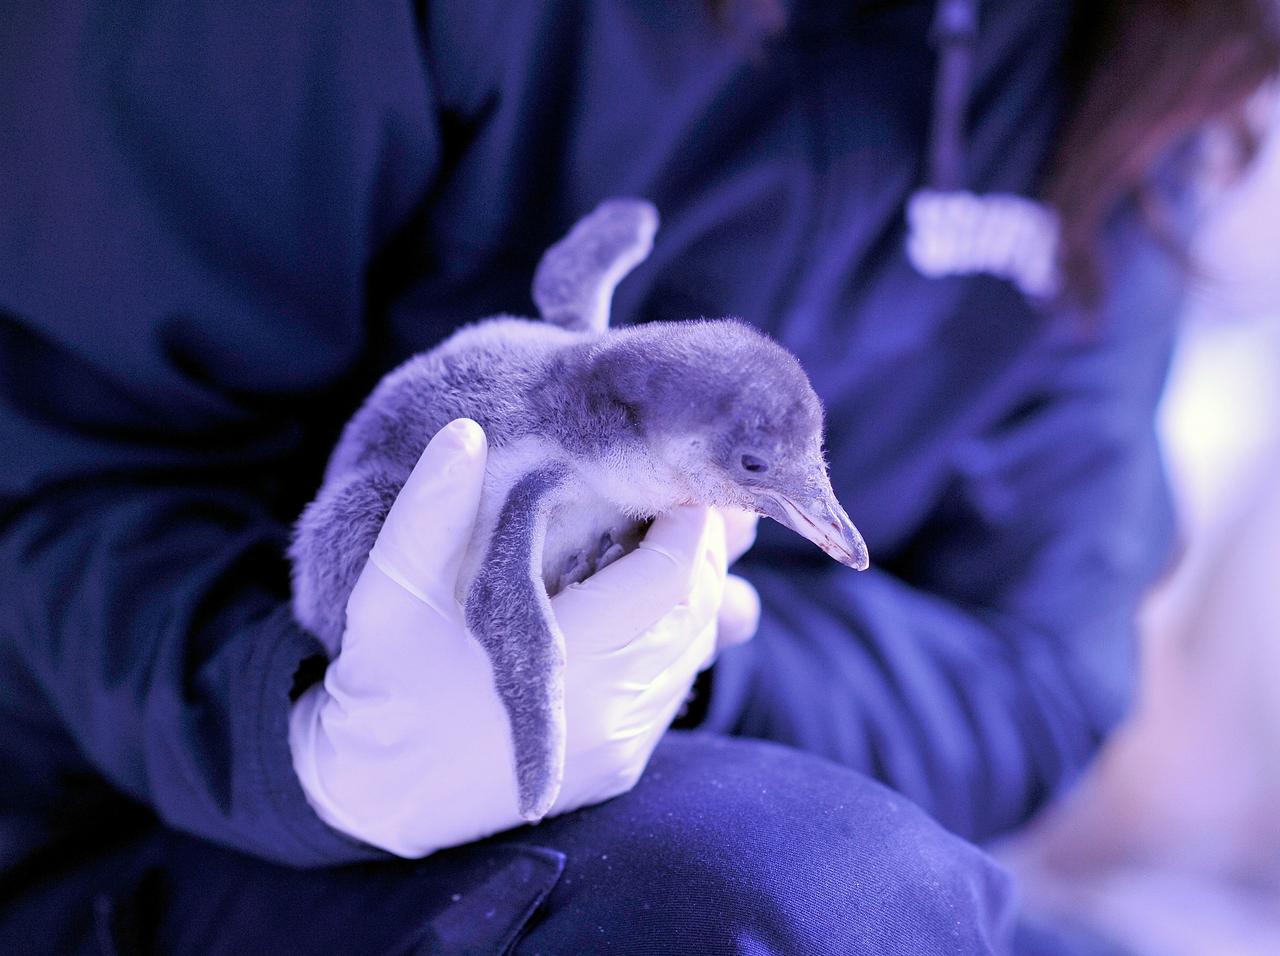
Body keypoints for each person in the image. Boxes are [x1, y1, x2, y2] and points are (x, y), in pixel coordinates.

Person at [1, 0, 1275, 952]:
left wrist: (702, 661)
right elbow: (65, 442)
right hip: (141, 812)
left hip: (741, 789)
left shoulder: (1137, 56)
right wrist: (304, 734)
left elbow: (1035, 665)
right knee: (788, 897)